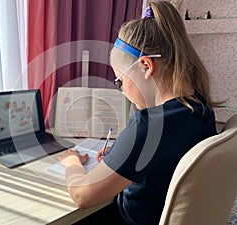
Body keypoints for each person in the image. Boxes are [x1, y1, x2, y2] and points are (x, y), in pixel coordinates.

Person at [57, 1, 221, 224]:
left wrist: (72, 162)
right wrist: (121, 157)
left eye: (120, 80)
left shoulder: (150, 125)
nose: (122, 91)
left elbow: (82, 195)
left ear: (146, 66)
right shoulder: (199, 107)